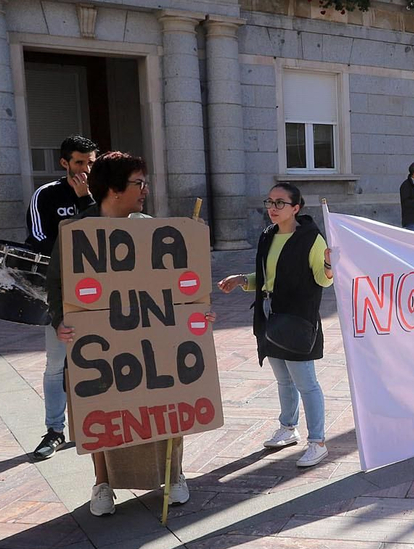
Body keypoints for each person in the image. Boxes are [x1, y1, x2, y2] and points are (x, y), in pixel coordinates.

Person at [46, 152, 191, 515]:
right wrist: (60, 320)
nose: (145, 190)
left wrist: (194, 310)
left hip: (149, 336)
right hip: (97, 342)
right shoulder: (76, 232)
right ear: (113, 189)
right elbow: (56, 284)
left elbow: (174, 283)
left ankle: (174, 475)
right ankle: (102, 483)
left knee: (166, 396)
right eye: (138, 183)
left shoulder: (151, 229)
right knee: (98, 406)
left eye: (145, 183)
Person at [219, 183, 334, 468]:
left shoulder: (311, 238)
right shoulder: (268, 235)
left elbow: (323, 280)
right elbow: (267, 278)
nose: (273, 207)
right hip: (269, 315)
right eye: (270, 202)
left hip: (297, 317)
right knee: (283, 379)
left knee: (306, 383)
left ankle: (318, 442)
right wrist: (242, 280)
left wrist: (329, 264)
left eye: (280, 203)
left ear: (296, 208)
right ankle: (288, 428)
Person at [26, 134, 98, 462]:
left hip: (98, 294)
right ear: (64, 163)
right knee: (56, 364)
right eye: (79, 163)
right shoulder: (46, 195)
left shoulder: (100, 193)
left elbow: (106, 232)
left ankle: (93, 424)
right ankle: (54, 429)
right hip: (60, 293)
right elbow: (39, 240)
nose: (85, 170)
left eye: (90, 163)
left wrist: (86, 199)